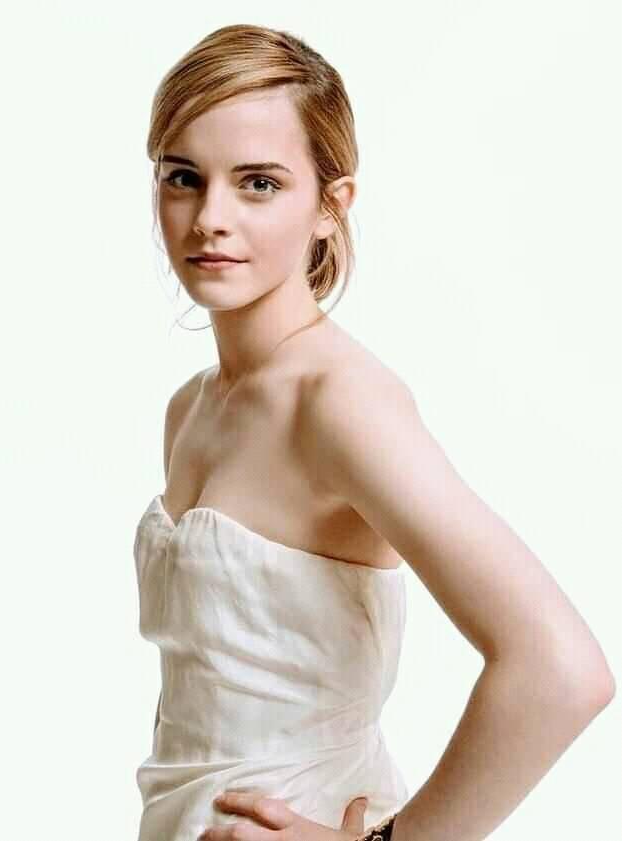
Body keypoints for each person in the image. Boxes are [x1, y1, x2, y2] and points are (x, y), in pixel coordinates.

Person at [133, 24, 615, 841]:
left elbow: (560, 668)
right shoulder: (191, 407)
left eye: (258, 184)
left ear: (331, 206)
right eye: (184, 178)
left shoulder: (340, 402)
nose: (210, 217)